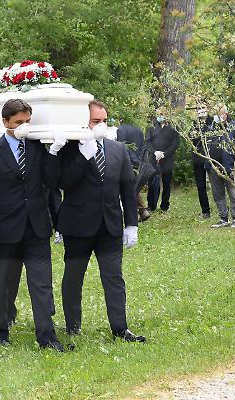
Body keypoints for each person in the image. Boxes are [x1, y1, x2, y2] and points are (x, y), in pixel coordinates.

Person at [0, 99, 66, 350]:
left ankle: (47, 337)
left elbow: (50, 183)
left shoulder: (37, 148)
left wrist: (54, 153)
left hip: (36, 228)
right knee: (3, 284)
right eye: (18, 122)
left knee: (42, 284)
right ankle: (0, 332)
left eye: (27, 121)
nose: (24, 126)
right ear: (5, 122)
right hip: (5, 230)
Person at [57, 100, 146, 342]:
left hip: (110, 225)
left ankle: (121, 328)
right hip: (78, 225)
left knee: (114, 278)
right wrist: (83, 157)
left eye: (104, 121)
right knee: (74, 277)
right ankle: (72, 326)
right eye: (96, 121)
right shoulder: (70, 148)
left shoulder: (117, 149)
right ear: (84, 122)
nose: (101, 125)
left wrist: (132, 224)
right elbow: (63, 182)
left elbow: (128, 188)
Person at [206, 105, 235, 228]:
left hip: (230, 165)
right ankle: (223, 217)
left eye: (219, 113)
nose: (217, 116)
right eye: (215, 114)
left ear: (225, 113)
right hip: (214, 165)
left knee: (233, 192)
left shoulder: (234, 127)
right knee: (217, 193)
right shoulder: (211, 127)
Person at [145, 108, 180, 212]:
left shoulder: (173, 128)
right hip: (153, 158)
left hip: (167, 159)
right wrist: (155, 152)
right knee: (152, 182)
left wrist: (164, 154)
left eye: (162, 114)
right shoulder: (151, 127)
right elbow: (147, 142)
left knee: (166, 183)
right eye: (158, 114)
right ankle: (151, 206)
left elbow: (175, 144)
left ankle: (165, 206)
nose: (160, 116)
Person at [116, 124, 151, 222]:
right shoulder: (139, 129)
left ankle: (136, 212)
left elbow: (122, 146)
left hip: (127, 162)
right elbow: (143, 146)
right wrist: (139, 160)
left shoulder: (121, 129)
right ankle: (142, 210)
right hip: (138, 162)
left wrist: (132, 160)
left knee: (128, 188)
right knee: (133, 187)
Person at [191, 105, 212, 219]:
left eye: (203, 107)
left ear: (208, 108)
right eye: (198, 108)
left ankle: (223, 211)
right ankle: (205, 211)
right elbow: (192, 140)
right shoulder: (195, 124)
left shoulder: (213, 122)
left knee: (217, 186)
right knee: (201, 185)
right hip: (198, 159)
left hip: (212, 159)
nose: (201, 110)